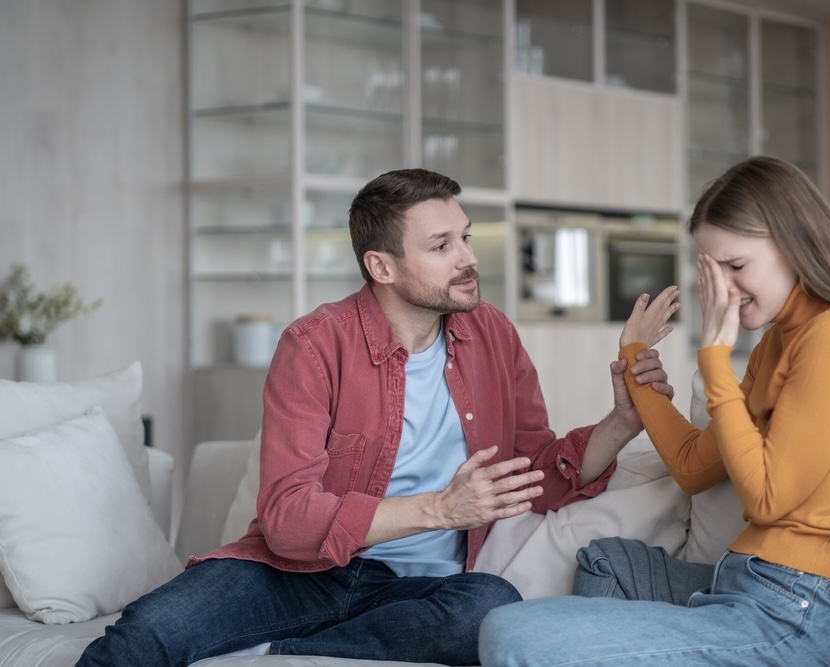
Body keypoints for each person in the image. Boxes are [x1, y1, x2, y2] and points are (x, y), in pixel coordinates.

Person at [76, 168, 670, 667]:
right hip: (300, 571)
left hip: (419, 589)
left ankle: (287, 652)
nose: (467, 260)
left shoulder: (492, 334)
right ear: (382, 267)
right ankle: (298, 641)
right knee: (146, 630)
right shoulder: (312, 345)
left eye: (464, 237)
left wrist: (620, 422)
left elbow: (534, 469)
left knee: (489, 607)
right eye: (441, 247)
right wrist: (440, 509)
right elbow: (286, 519)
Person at [478, 156, 830, 667]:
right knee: (609, 560)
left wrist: (716, 359)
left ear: (795, 242)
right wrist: (634, 360)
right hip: (739, 582)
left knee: (509, 631)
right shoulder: (778, 343)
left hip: (792, 613)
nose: (723, 290)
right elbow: (697, 468)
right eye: (711, 270)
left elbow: (767, 498)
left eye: (736, 266)